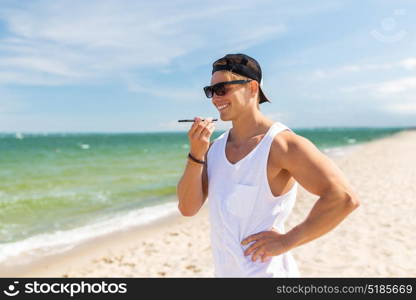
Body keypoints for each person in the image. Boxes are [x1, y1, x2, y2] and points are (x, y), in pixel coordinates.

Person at [176, 53, 360, 277]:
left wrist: (287, 241)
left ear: (252, 88)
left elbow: (344, 198)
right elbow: (187, 208)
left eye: (222, 88)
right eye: (211, 91)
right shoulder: (214, 148)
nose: (215, 98)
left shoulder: (281, 144)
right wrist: (196, 153)